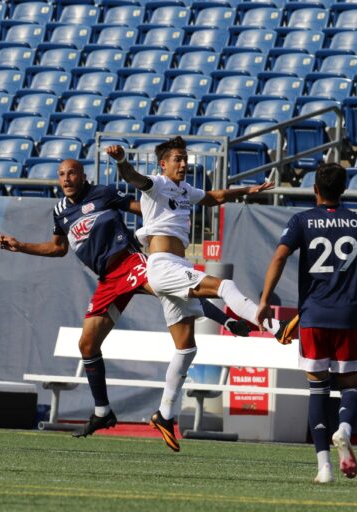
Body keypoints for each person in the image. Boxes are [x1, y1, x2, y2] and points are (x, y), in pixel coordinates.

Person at [0, 159, 247, 438]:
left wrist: (168, 214)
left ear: (83, 176)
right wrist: (20, 246)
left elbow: (144, 208)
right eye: (61, 175)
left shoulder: (103, 193)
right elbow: (58, 248)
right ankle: (102, 413)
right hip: (107, 280)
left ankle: (229, 320)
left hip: (130, 262)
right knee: (87, 344)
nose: (66, 179)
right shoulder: (60, 211)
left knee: (174, 290)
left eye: (71, 173)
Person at [107, 137, 291, 453]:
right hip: (163, 264)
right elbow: (132, 177)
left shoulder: (184, 190)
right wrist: (122, 160)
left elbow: (212, 197)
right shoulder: (156, 184)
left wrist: (246, 191)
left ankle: (164, 415)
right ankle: (273, 328)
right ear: (163, 163)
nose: (184, 163)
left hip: (174, 265)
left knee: (186, 349)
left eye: (185, 159)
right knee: (225, 286)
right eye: (177, 158)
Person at [255, 162, 357, 483]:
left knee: (317, 390)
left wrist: (264, 299)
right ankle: (343, 429)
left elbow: (279, 257)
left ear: (315, 189)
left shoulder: (301, 220)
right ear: (343, 190)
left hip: (313, 315)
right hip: (348, 315)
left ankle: (324, 468)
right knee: (350, 386)